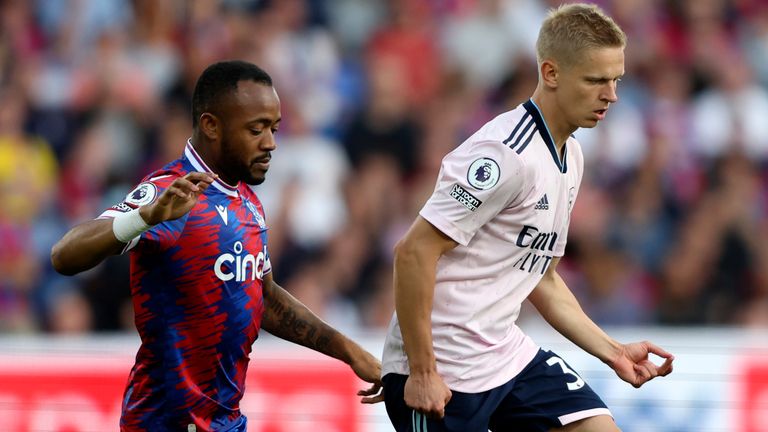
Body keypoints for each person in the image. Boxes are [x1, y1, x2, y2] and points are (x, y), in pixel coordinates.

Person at [381, 4, 674, 432]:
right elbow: (412, 253)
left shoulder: (571, 154)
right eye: (595, 80)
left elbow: (542, 276)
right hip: (443, 366)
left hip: (504, 354)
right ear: (551, 73)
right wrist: (422, 370)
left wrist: (612, 352)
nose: (611, 95)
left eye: (615, 80)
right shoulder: (504, 154)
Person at [51, 60, 383, 432]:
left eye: (273, 128)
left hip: (225, 422)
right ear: (211, 125)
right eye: (256, 129)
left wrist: (349, 352)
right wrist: (144, 218)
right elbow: (64, 255)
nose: (271, 143)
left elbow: (265, 297)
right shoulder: (169, 192)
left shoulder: (248, 201)